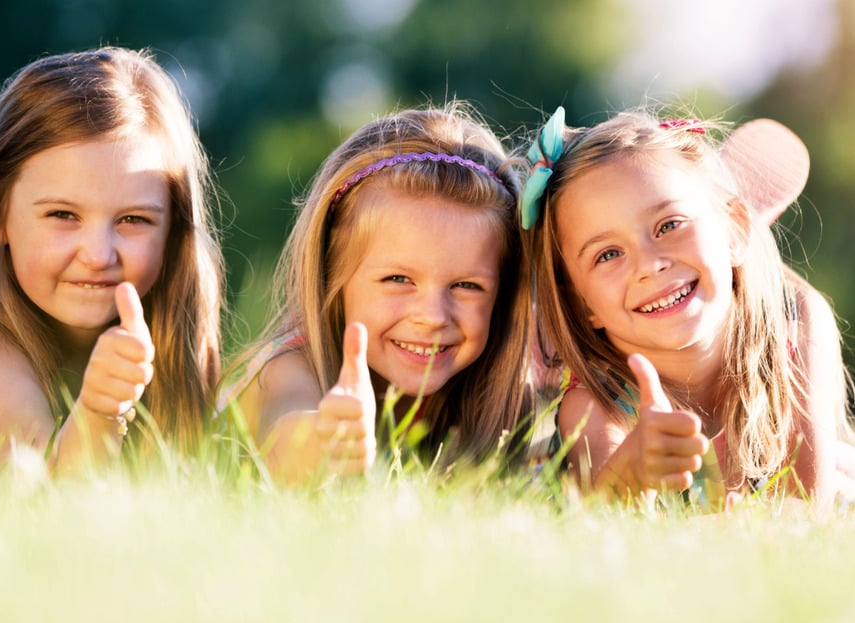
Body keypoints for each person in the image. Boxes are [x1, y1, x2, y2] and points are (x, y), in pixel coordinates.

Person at [0, 46, 225, 472]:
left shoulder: (166, 341)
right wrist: (98, 413)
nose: (97, 255)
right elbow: (39, 490)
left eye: (133, 219)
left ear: (174, 228)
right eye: (62, 215)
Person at [526, 107, 853, 509]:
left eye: (669, 225)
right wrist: (632, 469)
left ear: (734, 228)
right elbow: (599, 514)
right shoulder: (596, 400)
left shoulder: (796, 322)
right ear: (581, 303)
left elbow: (804, 507)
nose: (649, 265)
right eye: (608, 254)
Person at [218, 104, 536, 484]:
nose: (433, 316)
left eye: (466, 286)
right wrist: (325, 438)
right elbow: (285, 433)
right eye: (398, 279)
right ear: (331, 271)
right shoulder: (286, 370)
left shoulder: (495, 399)